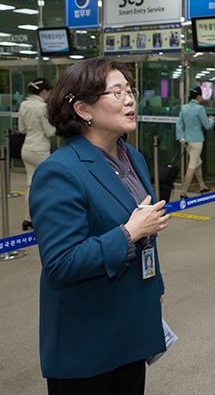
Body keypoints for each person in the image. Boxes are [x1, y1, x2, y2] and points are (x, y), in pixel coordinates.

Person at [29, 58, 170, 394]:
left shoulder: (131, 157)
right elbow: (61, 263)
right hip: (87, 336)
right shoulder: (60, 171)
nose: (130, 99)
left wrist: (155, 286)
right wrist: (129, 233)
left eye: (130, 91)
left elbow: (145, 234)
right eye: (116, 92)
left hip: (132, 322)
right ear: (83, 109)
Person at [17, 77, 55, 231]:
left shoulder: (24, 104)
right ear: (44, 91)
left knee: (30, 184)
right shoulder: (42, 108)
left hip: (26, 148)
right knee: (52, 182)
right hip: (40, 149)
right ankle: (49, 217)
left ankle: (28, 219)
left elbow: (22, 129)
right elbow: (50, 131)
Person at [176, 85, 214, 198]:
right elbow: (207, 126)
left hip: (187, 141)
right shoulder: (200, 109)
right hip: (197, 141)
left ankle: (202, 186)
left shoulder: (184, 108)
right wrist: (211, 120)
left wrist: (181, 137)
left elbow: (179, 124)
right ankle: (183, 191)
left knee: (198, 162)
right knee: (192, 165)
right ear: (198, 97)